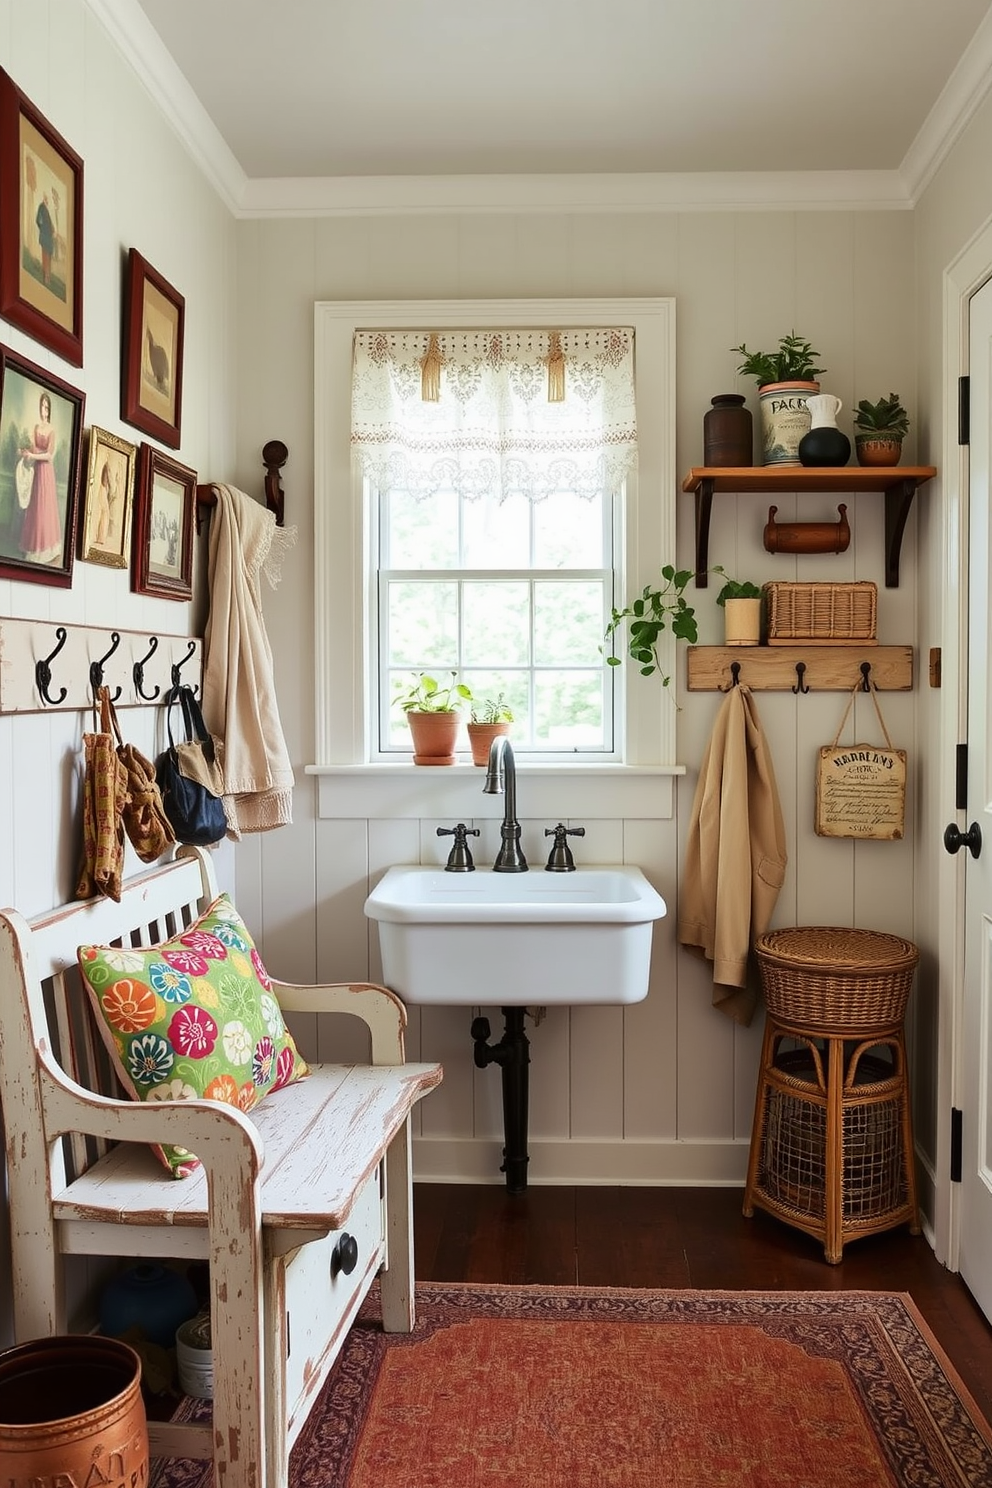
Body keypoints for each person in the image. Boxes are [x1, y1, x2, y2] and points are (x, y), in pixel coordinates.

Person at [19, 393, 62, 565]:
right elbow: (33, 448)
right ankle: (32, 546)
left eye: (47, 407)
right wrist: (25, 453)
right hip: (37, 471)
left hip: (46, 471)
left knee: (44, 506)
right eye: (42, 406)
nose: (44, 410)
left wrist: (33, 455)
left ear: (49, 410)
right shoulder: (36, 427)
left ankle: (44, 548)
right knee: (35, 505)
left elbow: (49, 455)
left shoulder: (51, 430)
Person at [35, 194, 54, 285]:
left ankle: (48, 277)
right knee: (45, 256)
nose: (47, 200)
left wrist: (52, 229)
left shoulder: (46, 209)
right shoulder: (41, 207)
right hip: (45, 236)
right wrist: (43, 229)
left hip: (49, 238)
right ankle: (45, 277)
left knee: (49, 256)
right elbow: (38, 220)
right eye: (46, 198)